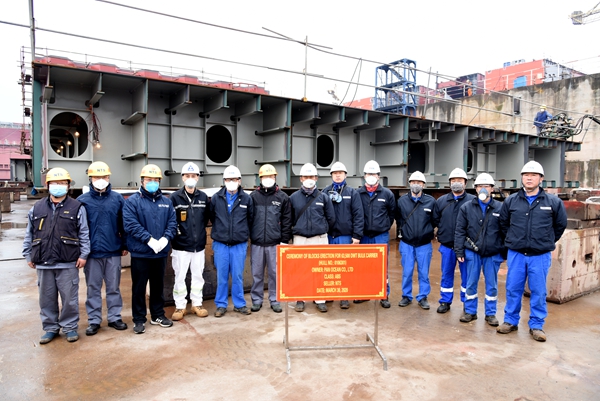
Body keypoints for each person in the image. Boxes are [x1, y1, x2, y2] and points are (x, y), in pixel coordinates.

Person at [497, 161, 567, 342]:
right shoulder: (511, 201)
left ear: (541, 179)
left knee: (538, 291)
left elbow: (560, 225)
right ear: (522, 177)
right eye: (526, 175)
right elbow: (503, 224)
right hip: (517, 254)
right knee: (513, 288)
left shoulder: (553, 202)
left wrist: (545, 242)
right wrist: (514, 240)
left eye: (533, 175)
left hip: (540, 255)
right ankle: (510, 321)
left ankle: (536, 325)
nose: (529, 178)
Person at [22, 167, 90, 344]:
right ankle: (50, 328)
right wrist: (28, 255)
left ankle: (70, 327)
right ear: (47, 185)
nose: (58, 186)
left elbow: (83, 233)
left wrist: (84, 254)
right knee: (46, 298)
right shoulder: (37, 208)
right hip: (43, 261)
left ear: (68, 185)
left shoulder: (76, 207)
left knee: (69, 299)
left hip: (68, 261)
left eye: (62, 183)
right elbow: (29, 233)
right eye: (54, 183)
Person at [123, 164, 177, 334]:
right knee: (139, 288)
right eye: (149, 179)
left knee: (158, 286)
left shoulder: (166, 202)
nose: (152, 182)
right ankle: (139, 319)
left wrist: (165, 238)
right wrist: (149, 240)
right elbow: (130, 224)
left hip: (159, 253)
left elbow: (172, 223)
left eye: (155, 180)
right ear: (142, 181)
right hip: (141, 253)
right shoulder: (132, 202)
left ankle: (157, 315)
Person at [77, 161, 128, 336]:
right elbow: (78, 229)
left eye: (104, 177)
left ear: (109, 177)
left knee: (113, 287)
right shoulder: (82, 201)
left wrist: (124, 245)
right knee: (93, 288)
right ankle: (94, 320)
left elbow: (123, 224)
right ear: (90, 178)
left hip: (113, 251)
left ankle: (114, 317)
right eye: (97, 177)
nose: (101, 180)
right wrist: (81, 251)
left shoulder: (117, 199)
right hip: (92, 254)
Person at [454, 173, 505, 326]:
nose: (483, 189)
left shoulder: (500, 208)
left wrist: (503, 252)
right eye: (480, 186)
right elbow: (460, 230)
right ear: (475, 188)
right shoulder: (466, 207)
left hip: (492, 253)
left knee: (492, 284)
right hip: (472, 252)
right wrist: (459, 250)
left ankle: (490, 314)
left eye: (486, 186)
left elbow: (506, 231)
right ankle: (470, 311)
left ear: (492, 188)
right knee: (471, 283)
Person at [289, 162, 336, 313]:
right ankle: (300, 299)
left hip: (319, 238)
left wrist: (322, 229)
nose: (309, 179)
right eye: (306, 176)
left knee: (320, 269)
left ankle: (320, 299)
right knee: (300, 269)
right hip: (300, 238)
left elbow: (331, 218)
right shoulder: (293, 198)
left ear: (316, 178)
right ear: (301, 179)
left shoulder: (323, 197)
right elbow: (289, 218)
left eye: (312, 176)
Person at [210, 165, 254, 318]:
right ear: (224, 181)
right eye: (228, 179)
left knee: (237, 276)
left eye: (234, 179)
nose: (231, 182)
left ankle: (239, 304)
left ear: (239, 180)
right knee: (221, 276)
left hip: (239, 245)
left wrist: (241, 234)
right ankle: (221, 305)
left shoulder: (247, 199)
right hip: (221, 244)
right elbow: (212, 217)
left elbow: (250, 218)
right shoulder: (216, 198)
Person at [169, 162, 210, 321]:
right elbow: (171, 221)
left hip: (198, 247)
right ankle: (180, 306)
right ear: (182, 177)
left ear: (198, 178)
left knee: (198, 276)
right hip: (181, 247)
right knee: (179, 277)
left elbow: (205, 219)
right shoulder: (175, 198)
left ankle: (197, 304)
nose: (190, 178)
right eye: (187, 175)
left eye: (193, 176)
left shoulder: (203, 197)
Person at [249, 164, 292, 313]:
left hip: (275, 243)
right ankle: (256, 300)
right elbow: (248, 219)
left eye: (271, 176)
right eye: (265, 176)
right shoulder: (253, 197)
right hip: (257, 243)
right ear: (260, 178)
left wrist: (284, 240)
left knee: (275, 274)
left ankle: (275, 300)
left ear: (275, 177)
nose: (268, 179)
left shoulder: (282, 197)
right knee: (257, 274)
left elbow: (287, 221)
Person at [433, 168, 476, 314]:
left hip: (466, 247)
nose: (456, 183)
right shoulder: (441, 201)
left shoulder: (472, 201)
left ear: (465, 183)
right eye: (453, 181)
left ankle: (466, 302)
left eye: (459, 181)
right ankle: (445, 301)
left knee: (467, 276)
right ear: (449, 183)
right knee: (446, 274)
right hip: (447, 246)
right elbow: (436, 219)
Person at [323, 161, 364, 309]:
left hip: (345, 236)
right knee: (329, 267)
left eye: (340, 173)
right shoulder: (325, 192)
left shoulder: (352, 193)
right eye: (335, 173)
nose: (338, 175)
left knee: (345, 267)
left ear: (345, 175)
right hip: (329, 236)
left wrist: (357, 235)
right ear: (331, 175)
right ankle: (329, 294)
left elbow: (358, 215)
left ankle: (344, 297)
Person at [357, 160, 395, 308]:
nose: (371, 176)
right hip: (364, 235)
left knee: (382, 266)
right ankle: (365, 293)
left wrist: (383, 226)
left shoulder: (387, 194)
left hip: (380, 235)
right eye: (368, 174)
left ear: (379, 176)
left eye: (373, 174)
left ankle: (384, 295)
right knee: (363, 266)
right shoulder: (358, 194)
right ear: (364, 176)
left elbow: (391, 214)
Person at [396, 171, 436, 310]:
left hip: (424, 244)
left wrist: (426, 232)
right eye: (413, 182)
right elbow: (398, 218)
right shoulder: (402, 201)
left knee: (424, 273)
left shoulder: (431, 201)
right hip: (407, 243)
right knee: (407, 272)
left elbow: (435, 220)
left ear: (423, 185)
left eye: (419, 183)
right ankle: (406, 296)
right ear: (409, 184)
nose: (416, 185)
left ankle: (423, 297)